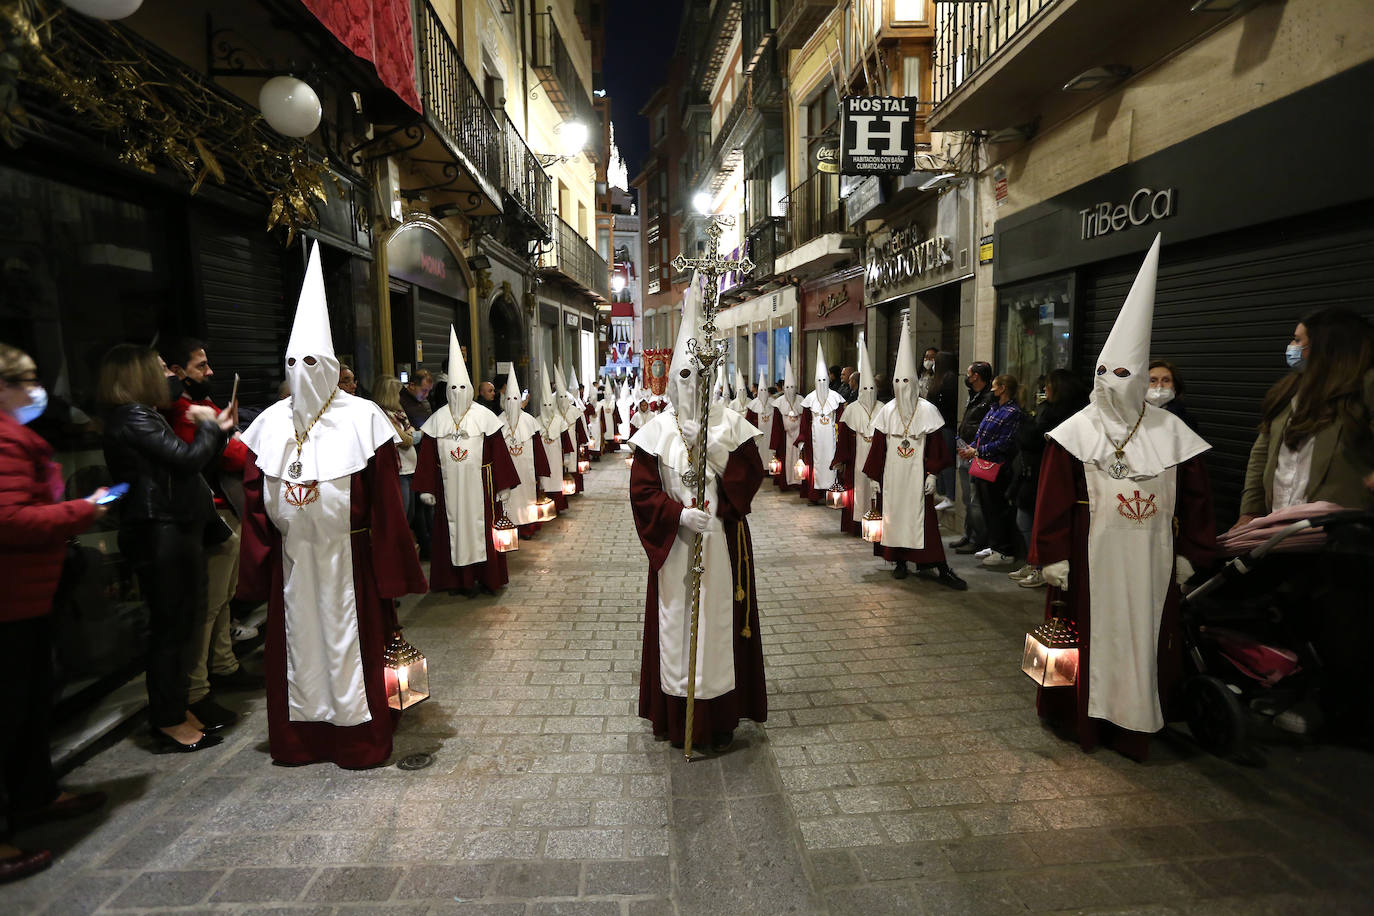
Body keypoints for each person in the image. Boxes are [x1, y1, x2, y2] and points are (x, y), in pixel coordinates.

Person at [238, 243, 426, 768]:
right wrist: (255, 571)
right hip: (293, 566)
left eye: (312, 362)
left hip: (354, 565)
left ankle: (357, 740)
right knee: (300, 652)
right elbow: (257, 504)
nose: (301, 370)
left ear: (334, 365)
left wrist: (393, 573)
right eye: (292, 362)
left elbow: (388, 508)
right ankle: (303, 740)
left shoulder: (363, 419)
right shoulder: (271, 425)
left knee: (353, 650)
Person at [1031, 235, 1214, 762]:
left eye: (1123, 374)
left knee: (1146, 632)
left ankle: (1137, 720)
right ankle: (1083, 719)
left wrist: (1189, 553)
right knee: (1088, 634)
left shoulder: (1172, 431)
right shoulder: (1076, 429)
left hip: (1152, 554)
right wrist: (1054, 555)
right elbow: (1053, 497)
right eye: (1103, 372)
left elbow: (1197, 499)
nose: (1111, 383)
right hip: (1092, 557)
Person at [629, 273, 766, 751]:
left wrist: (719, 458)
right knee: (676, 623)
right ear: (672, 378)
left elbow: (751, 476)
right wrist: (676, 515)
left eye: (701, 375)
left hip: (722, 544)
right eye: (685, 375)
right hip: (677, 549)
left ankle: (718, 715)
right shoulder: (655, 431)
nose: (694, 385)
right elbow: (642, 493)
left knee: (719, 625)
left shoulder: (731, 425)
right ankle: (677, 713)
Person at [0, 344, 108, 884]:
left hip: (28, 595)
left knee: (31, 703)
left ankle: (35, 794)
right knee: (9, 710)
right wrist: (84, 510)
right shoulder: (3, 439)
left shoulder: (18, 437)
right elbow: (10, 519)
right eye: (24, 381)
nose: (35, 391)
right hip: (10, 598)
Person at [101, 344, 234, 752]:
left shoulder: (145, 414)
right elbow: (186, 459)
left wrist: (214, 429)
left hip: (173, 529)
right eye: (160, 369)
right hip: (160, 532)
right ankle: (168, 718)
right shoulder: (134, 416)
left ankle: (176, 709)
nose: (168, 375)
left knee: (182, 624)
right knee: (170, 628)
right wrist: (210, 426)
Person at [163, 339, 260, 732]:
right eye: (201, 366)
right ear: (178, 371)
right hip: (209, 511)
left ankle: (223, 664)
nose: (210, 372)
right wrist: (229, 436)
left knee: (222, 598)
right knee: (208, 602)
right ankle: (198, 688)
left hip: (224, 508)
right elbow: (231, 455)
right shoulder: (183, 411)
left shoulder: (201, 407)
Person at [1238, 307, 1374, 522]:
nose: (1292, 348)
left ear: (1326, 348)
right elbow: (1262, 452)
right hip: (1279, 528)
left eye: (1298, 340)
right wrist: (1250, 511)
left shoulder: (1364, 387)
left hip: (1338, 536)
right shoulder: (1287, 391)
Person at [415, 328, 520, 597]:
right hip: (447, 488)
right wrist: (426, 488)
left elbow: (499, 453)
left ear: (471, 388)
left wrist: (503, 484)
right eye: (454, 388)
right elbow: (427, 456)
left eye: (463, 387)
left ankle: (485, 577)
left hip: (482, 489)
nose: (458, 392)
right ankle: (455, 580)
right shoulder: (437, 420)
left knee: (482, 530)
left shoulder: (484, 417)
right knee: (450, 531)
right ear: (447, 390)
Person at [863, 318, 966, 589]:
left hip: (918, 475)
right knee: (893, 517)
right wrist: (874, 476)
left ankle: (935, 564)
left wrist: (933, 473)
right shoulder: (886, 412)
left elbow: (936, 446)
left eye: (906, 380)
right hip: (893, 477)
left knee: (925, 522)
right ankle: (898, 561)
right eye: (897, 380)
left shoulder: (927, 411)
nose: (901, 385)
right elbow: (878, 446)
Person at [1007, 368, 1089, 588]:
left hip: (1043, 475)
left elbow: (1032, 438)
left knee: (1033, 521)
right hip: (1030, 474)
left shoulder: (1062, 414)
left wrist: (1025, 427)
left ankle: (1041, 566)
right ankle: (1035, 562)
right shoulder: (1049, 410)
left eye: (1049, 386)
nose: (1045, 390)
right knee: (1025, 520)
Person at [960, 373, 1024, 568]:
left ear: (1003, 388)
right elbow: (981, 434)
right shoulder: (995, 409)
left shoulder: (1012, 412)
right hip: (983, 465)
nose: (992, 390)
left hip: (998, 468)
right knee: (986, 507)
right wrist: (970, 448)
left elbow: (1005, 442)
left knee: (997, 509)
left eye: (995, 386)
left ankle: (1004, 550)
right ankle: (993, 544)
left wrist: (978, 451)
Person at [833, 334, 883, 537]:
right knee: (856, 489)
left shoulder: (883, 409)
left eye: (873, 388)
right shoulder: (851, 409)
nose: (869, 391)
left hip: (876, 459)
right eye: (866, 388)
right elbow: (843, 438)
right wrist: (840, 460)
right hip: (856, 458)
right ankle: (855, 525)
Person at [500, 367, 551, 538]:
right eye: (509, 398)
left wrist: (542, 473)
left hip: (526, 472)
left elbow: (538, 450)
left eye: (516, 398)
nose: (513, 402)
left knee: (526, 497)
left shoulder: (529, 421)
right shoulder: (497, 422)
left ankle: (527, 528)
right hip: (507, 472)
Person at [949, 361, 993, 554]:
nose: (966, 377)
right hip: (965, 449)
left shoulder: (989, 398)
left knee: (976, 499)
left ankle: (978, 539)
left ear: (976, 376)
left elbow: (985, 427)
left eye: (969, 374)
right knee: (967, 498)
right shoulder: (974, 396)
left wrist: (974, 446)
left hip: (977, 452)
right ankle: (969, 534)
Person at [797, 345, 847, 505]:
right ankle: (815, 494)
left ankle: (833, 493)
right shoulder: (809, 400)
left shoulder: (836, 398)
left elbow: (840, 419)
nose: (822, 383)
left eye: (825, 380)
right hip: (815, 439)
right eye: (819, 380)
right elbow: (804, 422)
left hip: (832, 438)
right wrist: (802, 439)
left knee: (832, 463)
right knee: (816, 465)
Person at [373, 376, 422, 530]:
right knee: (402, 514)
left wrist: (411, 434)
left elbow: (411, 433)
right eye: (398, 393)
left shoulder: (399, 412)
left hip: (411, 468)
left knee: (411, 514)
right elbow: (405, 439)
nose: (400, 397)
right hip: (398, 471)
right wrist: (412, 434)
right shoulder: (382, 415)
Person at [536, 362, 572, 512]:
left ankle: (558, 505)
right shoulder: (536, 422)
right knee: (544, 481)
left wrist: (567, 457)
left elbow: (566, 440)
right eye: (544, 405)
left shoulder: (559, 421)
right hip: (544, 456)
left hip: (556, 456)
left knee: (556, 478)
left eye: (549, 405)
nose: (547, 409)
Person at [927, 351, 959, 510]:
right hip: (939, 425)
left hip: (946, 425)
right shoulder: (939, 379)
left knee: (946, 459)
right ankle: (943, 491)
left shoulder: (950, 380)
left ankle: (950, 495)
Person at [769, 360, 805, 492]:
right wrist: (774, 444)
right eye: (787, 387)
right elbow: (776, 426)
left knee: (799, 459)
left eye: (792, 387)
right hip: (786, 437)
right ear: (784, 388)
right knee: (787, 460)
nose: (790, 390)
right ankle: (787, 482)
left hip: (799, 437)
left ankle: (800, 483)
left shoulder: (802, 401)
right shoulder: (779, 403)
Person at [554, 363, 589, 495]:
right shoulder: (553, 412)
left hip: (573, 441)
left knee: (572, 463)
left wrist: (582, 443)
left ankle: (574, 488)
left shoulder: (575, 411)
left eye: (565, 397)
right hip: (558, 443)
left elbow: (579, 428)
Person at [1146, 360, 1197, 432]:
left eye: (1166, 380)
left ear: (1175, 388)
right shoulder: (1132, 416)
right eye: (1153, 380)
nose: (1159, 386)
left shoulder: (1185, 421)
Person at [744, 370, 775, 474]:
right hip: (759, 436)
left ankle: (771, 470)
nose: (763, 392)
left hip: (770, 434)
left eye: (764, 390)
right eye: (761, 390)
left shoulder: (773, 404)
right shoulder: (753, 405)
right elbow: (748, 422)